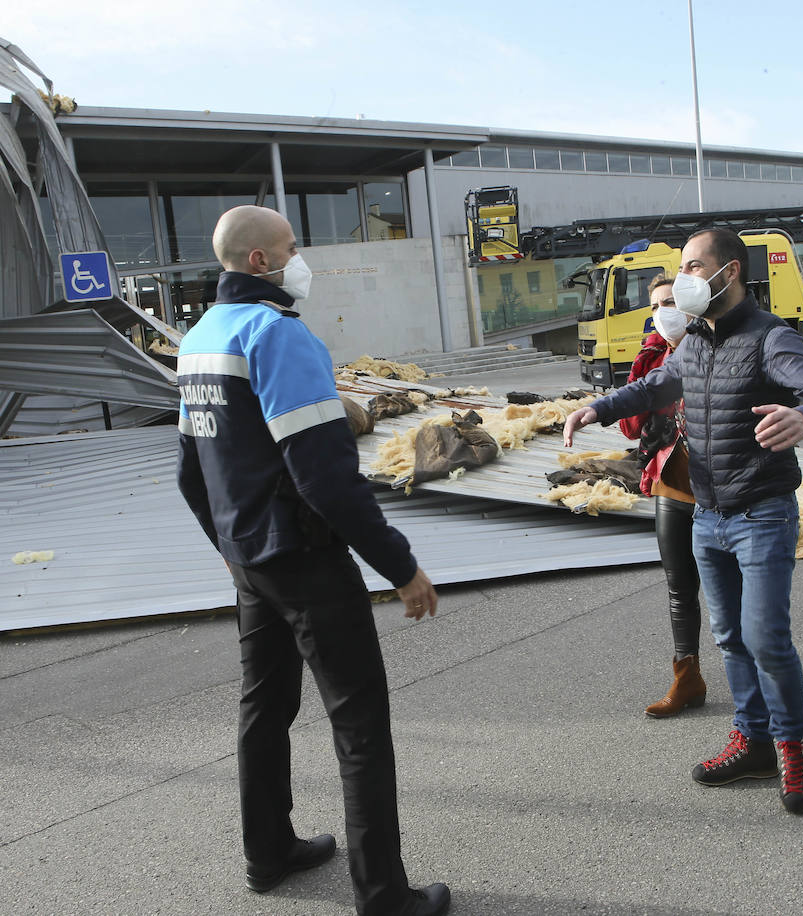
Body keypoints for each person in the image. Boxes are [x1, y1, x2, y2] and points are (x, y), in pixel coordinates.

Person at [176, 205, 450, 914]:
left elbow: (189, 472)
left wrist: (233, 549)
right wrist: (401, 567)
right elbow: (326, 480)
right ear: (261, 261)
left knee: (263, 710)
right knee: (360, 726)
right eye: (293, 247)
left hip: (251, 562)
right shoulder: (278, 335)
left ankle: (268, 854)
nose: (303, 261)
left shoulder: (200, 337)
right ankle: (385, 895)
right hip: (304, 559)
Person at [564, 228, 803, 814]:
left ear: (731, 272)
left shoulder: (771, 338)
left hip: (761, 513)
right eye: (684, 267)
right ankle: (752, 741)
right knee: (728, 639)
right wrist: (598, 407)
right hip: (707, 517)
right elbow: (655, 385)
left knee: (766, 639)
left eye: (696, 267)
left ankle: (791, 746)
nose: (687, 278)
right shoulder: (694, 340)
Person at [616, 275, 706, 719]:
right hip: (671, 483)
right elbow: (629, 427)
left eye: (671, 301)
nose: (663, 311)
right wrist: (649, 383)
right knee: (679, 588)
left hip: (720, 488)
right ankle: (686, 677)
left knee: (738, 589)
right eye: (656, 305)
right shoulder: (653, 354)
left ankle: (761, 673)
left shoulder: (713, 341)